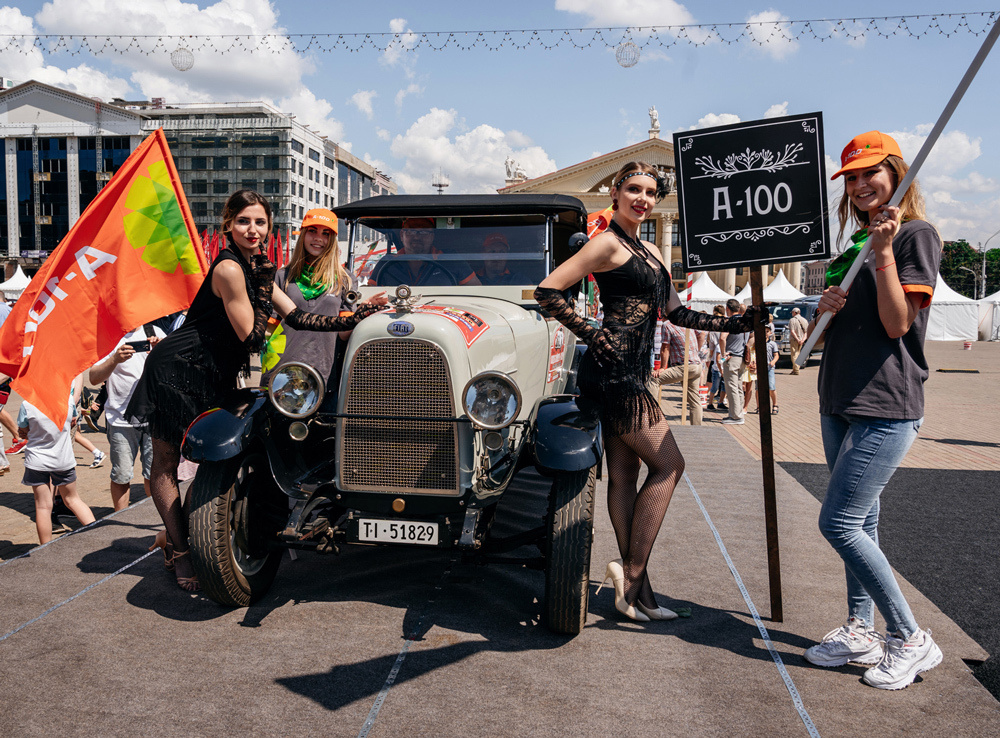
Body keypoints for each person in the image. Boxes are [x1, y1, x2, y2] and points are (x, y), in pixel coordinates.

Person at [127, 189, 388, 592]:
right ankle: (180, 551)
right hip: (179, 367)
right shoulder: (231, 269)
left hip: (215, 371)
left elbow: (299, 318)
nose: (253, 229)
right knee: (166, 462)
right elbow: (252, 337)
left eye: (260, 222)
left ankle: (176, 533)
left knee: (211, 461)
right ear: (228, 225)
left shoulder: (259, 266)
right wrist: (266, 291)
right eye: (244, 221)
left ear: (269, 227)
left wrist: (359, 315)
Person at [534, 161, 756, 622]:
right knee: (670, 464)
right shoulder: (606, 243)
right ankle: (631, 572)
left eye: (651, 193)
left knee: (625, 474)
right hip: (613, 372)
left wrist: (737, 324)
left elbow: (677, 313)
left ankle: (638, 596)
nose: (643, 199)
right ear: (615, 193)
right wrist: (593, 333)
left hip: (635, 370)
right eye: (634, 189)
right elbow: (548, 291)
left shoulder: (651, 249)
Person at [802, 131, 943, 690]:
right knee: (862, 522)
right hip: (838, 398)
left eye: (871, 173)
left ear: (896, 175)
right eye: (852, 177)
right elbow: (815, 340)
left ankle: (910, 637)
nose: (861, 185)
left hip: (886, 404)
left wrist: (883, 254)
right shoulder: (854, 244)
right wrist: (825, 309)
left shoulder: (914, 235)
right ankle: (861, 629)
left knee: (837, 522)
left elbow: (897, 324)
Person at [262, 208, 356, 408]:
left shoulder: (345, 279)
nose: (318, 238)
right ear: (303, 234)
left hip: (324, 373)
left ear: (333, 240)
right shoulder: (282, 276)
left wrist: (362, 315)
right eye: (312, 231)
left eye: (326, 233)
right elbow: (270, 329)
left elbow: (343, 334)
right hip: (283, 374)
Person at [89, 325, 165, 511]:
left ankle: (155, 518)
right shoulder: (107, 337)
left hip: (154, 417)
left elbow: (175, 369)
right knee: (121, 475)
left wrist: (160, 352)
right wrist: (114, 359)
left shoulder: (154, 332)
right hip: (120, 418)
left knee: (154, 475)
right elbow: (93, 378)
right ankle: (120, 517)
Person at [17, 381, 95, 544]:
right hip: (63, 459)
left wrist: (29, 432)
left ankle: (45, 549)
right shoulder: (68, 400)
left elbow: (23, 431)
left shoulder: (27, 404)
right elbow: (73, 421)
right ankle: (98, 536)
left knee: (43, 506)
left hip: (37, 461)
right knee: (73, 500)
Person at [371, 217, 480, 287]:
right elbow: (371, 294)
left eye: (423, 231)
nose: (417, 237)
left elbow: (476, 290)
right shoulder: (386, 262)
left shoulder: (451, 260)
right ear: (401, 235)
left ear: (432, 236)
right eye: (411, 231)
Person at [652, 320, 704, 425]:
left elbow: (665, 348)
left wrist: (662, 367)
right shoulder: (686, 321)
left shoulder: (668, 325)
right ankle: (697, 428)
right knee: (694, 400)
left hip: (685, 366)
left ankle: (651, 415)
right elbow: (702, 334)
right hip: (696, 365)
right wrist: (695, 352)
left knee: (654, 379)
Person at [719, 298, 748, 425]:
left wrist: (723, 353)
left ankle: (736, 416)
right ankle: (738, 413)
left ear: (728, 309)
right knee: (738, 387)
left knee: (731, 388)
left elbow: (722, 338)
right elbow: (752, 337)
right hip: (742, 357)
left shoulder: (730, 321)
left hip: (732, 357)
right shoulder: (745, 321)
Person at [787, 307, 808, 374]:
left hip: (794, 339)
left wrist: (798, 340)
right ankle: (794, 369)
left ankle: (796, 370)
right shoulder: (804, 320)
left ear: (794, 313)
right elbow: (806, 332)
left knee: (794, 354)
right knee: (798, 354)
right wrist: (802, 340)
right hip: (802, 339)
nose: (792, 314)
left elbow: (792, 331)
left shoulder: (792, 320)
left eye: (792, 312)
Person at [765, 326, 779, 414]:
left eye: (767, 331)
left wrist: (773, 361)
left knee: (771, 387)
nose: (765, 333)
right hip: (759, 369)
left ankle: (775, 404)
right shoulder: (757, 343)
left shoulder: (772, 344)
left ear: (770, 333)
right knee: (758, 388)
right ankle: (759, 406)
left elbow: (776, 355)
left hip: (770, 368)